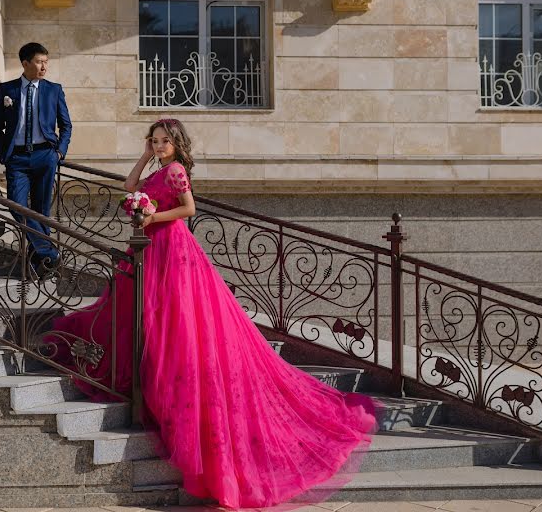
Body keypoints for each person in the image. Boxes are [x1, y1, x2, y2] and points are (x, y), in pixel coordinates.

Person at [47, 118, 377, 509]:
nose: (159, 146)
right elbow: (129, 187)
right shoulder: (157, 167)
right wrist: (142, 156)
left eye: (164, 141)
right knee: (139, 317)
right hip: (151, 248)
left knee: (175, 323)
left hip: (171, 248)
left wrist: (153, 217)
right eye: (154, 141)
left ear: (177, 143)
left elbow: (189, 208)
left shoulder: (176, 170)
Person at [0, 42, 71, 278]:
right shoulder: (7, 89)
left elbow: (66, 125)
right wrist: (4, 153)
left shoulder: (54, 90)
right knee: (16, 204)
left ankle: (41, 265)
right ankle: (50, 252)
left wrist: (59, 153)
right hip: (17, 158)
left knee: (41, 210)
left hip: (46, 155)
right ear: (25, 63)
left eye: (46, 61)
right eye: (39, 61)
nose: (44, 66)